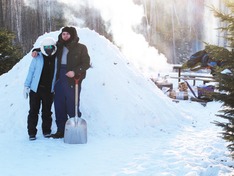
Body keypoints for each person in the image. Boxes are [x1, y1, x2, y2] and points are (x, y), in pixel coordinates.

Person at [31, 27, 90, 139]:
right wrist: (35, 51)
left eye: (68, 34)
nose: (65, 36)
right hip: (59, 78)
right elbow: (46, 49)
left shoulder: (81, 47)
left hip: (73, 79)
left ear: (72, 35)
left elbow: (86, 63)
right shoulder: (59, 46)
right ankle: (61, 130)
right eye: (63, 34)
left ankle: (75, 129)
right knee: (59, 104)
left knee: (72, 104)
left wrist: (75, 71)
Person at [24, 37, 57, 140]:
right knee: (33, 111)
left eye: (50, 47)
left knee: (47, 112)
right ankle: (31, 133)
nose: (48, 49)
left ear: (53, 47)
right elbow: (31, 71)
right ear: (43, 48)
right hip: (36, 89)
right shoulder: (37, 57)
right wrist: (26, 85)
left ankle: (47, 131)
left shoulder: (57, 58)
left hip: (49, 90)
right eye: (46, 47)